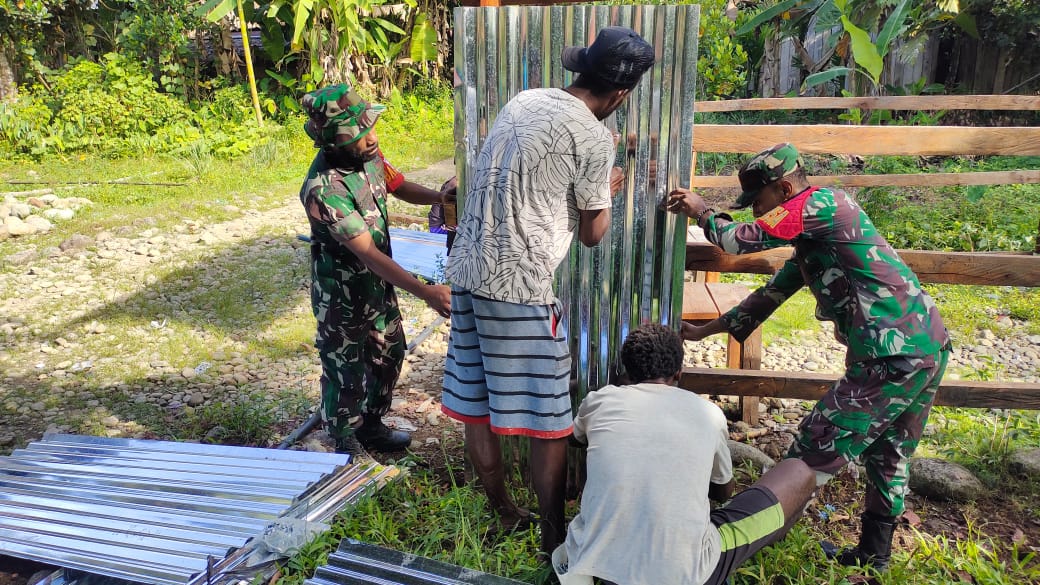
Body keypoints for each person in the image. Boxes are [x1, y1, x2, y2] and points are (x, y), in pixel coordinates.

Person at [665, 143, 951, 571]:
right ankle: (875, 559)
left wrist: (702, 211)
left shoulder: (820, 203)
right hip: (924, 347)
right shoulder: (814, 240)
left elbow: (737, 240)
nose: (759, 214)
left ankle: (724, 549)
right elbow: (767, 298)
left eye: (760, 203)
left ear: (783, 188)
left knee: (811, 449)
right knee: (888, 453)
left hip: (891, 355)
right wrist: (703, 330)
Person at [440, 26, 655, 557]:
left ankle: (502, 511)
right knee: (549, 420)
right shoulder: (594, 139)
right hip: (519, 286)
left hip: (466, 269)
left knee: (478, 403)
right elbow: (591, 234)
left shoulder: (524, 101)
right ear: (621, 93)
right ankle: (553, 533)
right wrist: (608, 192)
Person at [552, 324, 815, 585]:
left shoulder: (600, 400)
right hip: (686, 572)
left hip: (590, 567)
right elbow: (723, 492)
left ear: (626, 371)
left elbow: (575, 440)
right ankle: (775, 535)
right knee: (799, 472)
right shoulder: (708, 413)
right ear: (679, 372)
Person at [299, 83, 452, 456]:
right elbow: (367, 253)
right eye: (358, 134)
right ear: (333, 142)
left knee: (390, 353)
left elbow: (397, 185)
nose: (370, 138)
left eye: (370, 128)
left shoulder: (369, 154)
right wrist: (427, 292)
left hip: (377, 285)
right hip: (342, 294)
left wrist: (437, 197)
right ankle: (342, 439)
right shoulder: (324, 189)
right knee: (344, 368)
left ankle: (371, 425)